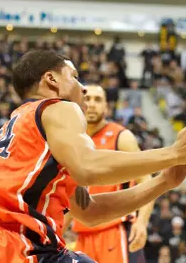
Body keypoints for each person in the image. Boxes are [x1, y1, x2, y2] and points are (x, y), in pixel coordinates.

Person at [0, 50, 186, 262]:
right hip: (12, 244)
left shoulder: (22, 129)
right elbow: (88, 167)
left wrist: (164, 182)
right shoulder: (58, 108)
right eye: (74, 76)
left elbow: (90, 212)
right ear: (51, 80)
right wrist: (174, 152)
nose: (82, 87)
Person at [62, 85, 152, 263]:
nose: (92, 104)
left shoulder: (121, 137)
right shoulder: (70, 142)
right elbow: (70, 195)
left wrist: (142, 222)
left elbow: (146, 179)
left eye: (98, 99)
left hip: (115, 231)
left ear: (107, 107)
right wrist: (58, 232)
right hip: (82, 236)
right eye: (87, 99)